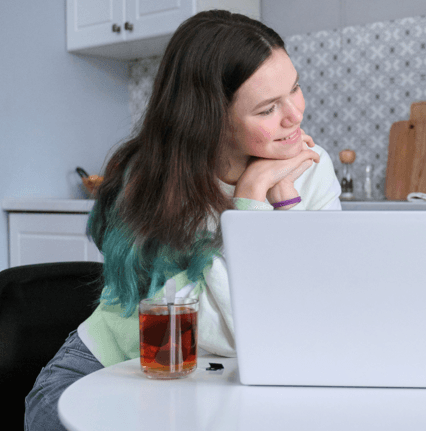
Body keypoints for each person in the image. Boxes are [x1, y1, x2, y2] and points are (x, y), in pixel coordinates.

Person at [25, 10, 341, 430]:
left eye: (295, 88)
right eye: (267, 109)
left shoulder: (311, 169)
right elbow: (205, 330)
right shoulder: (150, 179)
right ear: (212, 118)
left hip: (221, 379)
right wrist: (249, 201)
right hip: (110, 366)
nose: (295, 116)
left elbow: (315, 307)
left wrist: (285, 203)